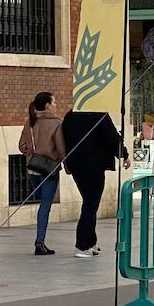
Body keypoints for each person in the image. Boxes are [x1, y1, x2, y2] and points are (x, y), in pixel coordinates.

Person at [61, 110, 131, 257]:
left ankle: (91, 242)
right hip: (94, 165)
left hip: (75, 165)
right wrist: (124, 155)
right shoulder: (99, 114)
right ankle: (82, 245)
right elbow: (112, 138)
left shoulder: (70, 115)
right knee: (91, 203)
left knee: (89, 202)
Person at [19, 91, 65, 256]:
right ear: (47, 104)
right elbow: (61, 149)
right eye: (54, 102)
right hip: (49, 170)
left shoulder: (29, 122)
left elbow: (22, 146)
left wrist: (31, 154)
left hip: (33, 168)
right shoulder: (57, 123)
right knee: (45, 204)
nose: (55, 105)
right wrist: (63, 163)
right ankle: (40, 241)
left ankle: (41, 240)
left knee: (41, 201)